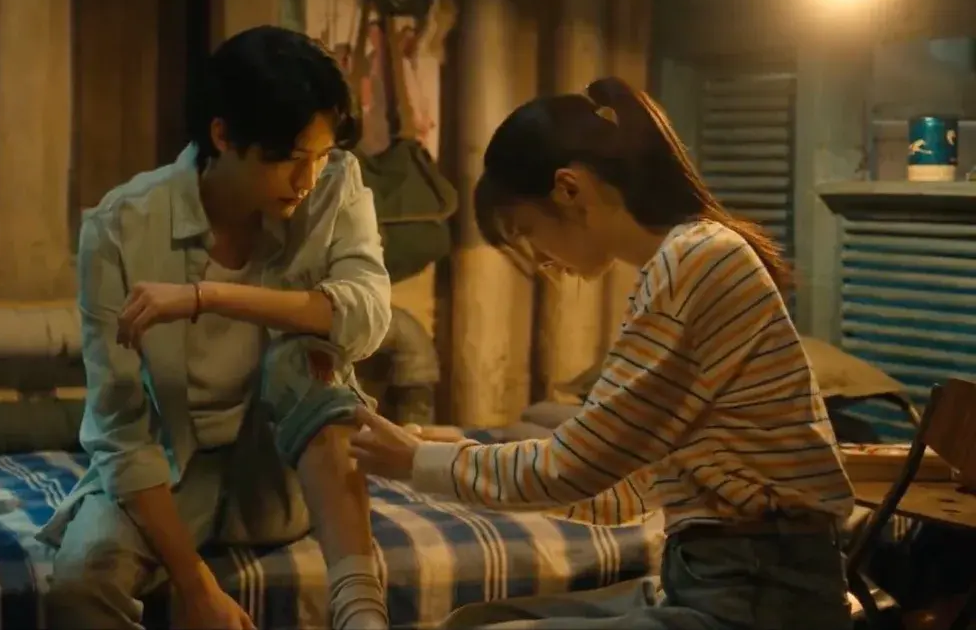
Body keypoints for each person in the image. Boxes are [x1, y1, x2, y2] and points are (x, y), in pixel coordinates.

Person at [350, 77, 856, 630]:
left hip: (760, 596)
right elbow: (623, 487)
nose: (542, 261)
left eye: (528, 231)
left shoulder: (699, 261)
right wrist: (456, 454)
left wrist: (419, 462)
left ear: (568, 190)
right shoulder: (680, 263)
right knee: (471, 621)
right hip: (717, 578)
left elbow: (573, 466)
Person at [38, 25, 393, 630]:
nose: (307, 179)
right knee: (80, 584)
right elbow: (121, 432)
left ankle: (361, 612)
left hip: (282, 470)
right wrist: (195, 584)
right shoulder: (121, 227)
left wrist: (210, 297)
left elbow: (367, 315)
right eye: (289, 159)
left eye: (320, 156)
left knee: (305, 359)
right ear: (223, 136)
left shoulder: (334, 187)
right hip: (175, 467)